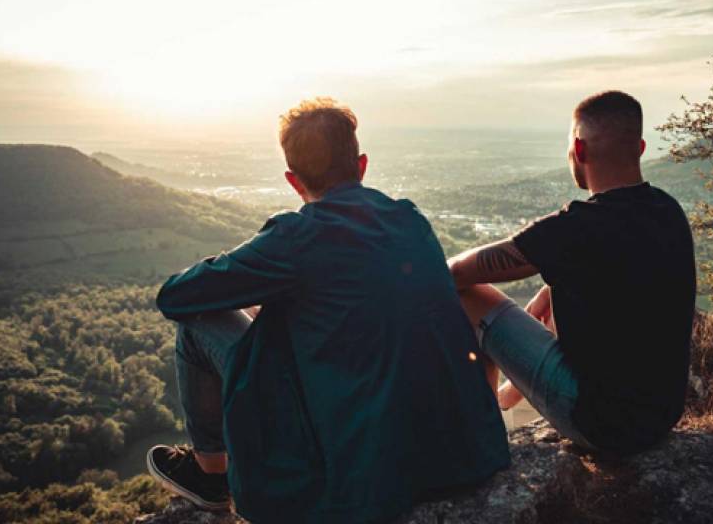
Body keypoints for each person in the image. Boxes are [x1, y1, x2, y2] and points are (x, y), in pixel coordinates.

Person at [147, 97, 510, 523]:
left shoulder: (295, 238)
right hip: (457, 453)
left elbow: (176, 296)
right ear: (362, 165)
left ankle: (210, 475)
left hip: (359, 467)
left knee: (197, 324)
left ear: (292, 180)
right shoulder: (410, 220)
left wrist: (256, 284)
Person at [448, 90, 696, 455]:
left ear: (578, 149)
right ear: (640, 148)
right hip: (660, 417)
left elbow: (456, 272)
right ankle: (504, 400)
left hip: (600, 424)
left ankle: (482, 435)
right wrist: (551, 289)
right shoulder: (668, 210)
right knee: (554, 293)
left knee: (469, 294)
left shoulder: (574, 227)